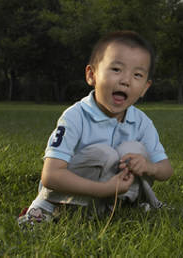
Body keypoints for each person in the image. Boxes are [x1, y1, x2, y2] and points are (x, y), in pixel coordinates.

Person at [18, 30, 173, 227]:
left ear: (144, 88)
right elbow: (51, 176)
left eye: (137, 75)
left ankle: (127, 204)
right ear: (92, 75)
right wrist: (103, 189)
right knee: (105, 153)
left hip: (114, 193)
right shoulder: (75, 116)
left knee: (134, 151)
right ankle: (44, 208)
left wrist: (149, 167)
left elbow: (166, 169)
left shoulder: (141, 122)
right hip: (70, 194)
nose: (125, 80)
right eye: (116, 69)